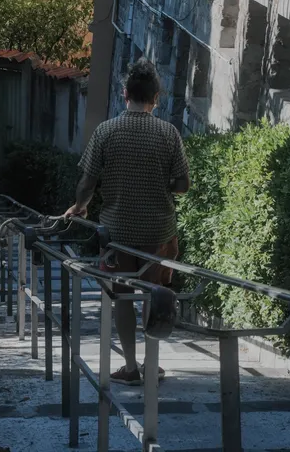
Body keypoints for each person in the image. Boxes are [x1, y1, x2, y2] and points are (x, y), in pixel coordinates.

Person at [64, 58, 190, 385]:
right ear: (156, 98)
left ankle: (131, 367)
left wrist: (79, 207)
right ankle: (151, 365)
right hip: (157, 232)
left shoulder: (106, 131)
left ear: (124, 94)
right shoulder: (168, 133)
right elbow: (182, 185)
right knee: (153, 293)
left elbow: (87, 181)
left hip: (116, 232)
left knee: (120, 295)